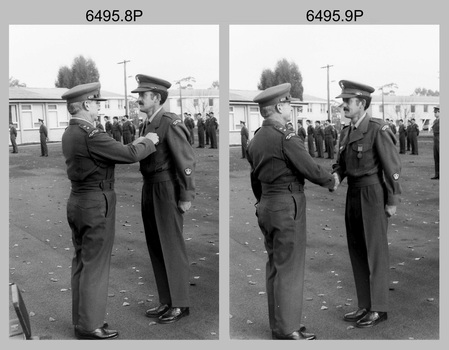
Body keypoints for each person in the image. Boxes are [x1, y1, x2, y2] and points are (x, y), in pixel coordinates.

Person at [61, 82, 159, 340]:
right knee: (96, 265)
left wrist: (136, 141)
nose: (98, 108)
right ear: (85, 105)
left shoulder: (71, 132)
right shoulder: (90, 134)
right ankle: (90, 325)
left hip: (78, 200)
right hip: (96, 203)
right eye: (95, 104)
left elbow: (113, 150)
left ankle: (81, 320)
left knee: (82, 262)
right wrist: (148, 141)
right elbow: (128, 154)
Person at [246, 83, 338, 340]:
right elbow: (309, 167)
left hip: (266, 204)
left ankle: (280, 325)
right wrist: (331, 180)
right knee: (289, 268)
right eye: (287, 103)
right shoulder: (285, 137)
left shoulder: (255, 139)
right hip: (287, 205)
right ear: (278, 107)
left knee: (275, 266)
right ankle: (288, 329)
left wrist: (263, 202)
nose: (290, 107)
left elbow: (254, 178)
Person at [332, 80, 401, 328]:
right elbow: (341, 163)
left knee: (375, 252)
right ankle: (365, 305)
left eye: (348, 101)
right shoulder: (346, 130)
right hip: (353, 194)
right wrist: (337, 177)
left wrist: (392, 200)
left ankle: (379, 308)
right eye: (344, 101)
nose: (344, 106)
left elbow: (392, 168)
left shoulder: (378, 129)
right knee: (357, 251)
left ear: (361, 103)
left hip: (372, 193)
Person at [132, 74, 196, 324]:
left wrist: (186, 194)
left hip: (167, 188)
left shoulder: (170, 122)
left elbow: (186, 161)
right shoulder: (146, 123)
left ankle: (180, 303)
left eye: (142, 95)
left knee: (171, 247)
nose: (138, 99)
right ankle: (166, 300)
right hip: (149, 187)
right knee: (156, 246)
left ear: (156, 97)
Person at [431, 106, 440, 179]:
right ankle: (437, 174)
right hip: (435, 140)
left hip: (440, 139)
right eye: (434, 112)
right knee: (436, 157)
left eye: (436, 112)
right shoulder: (435, 121)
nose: (435, 114)